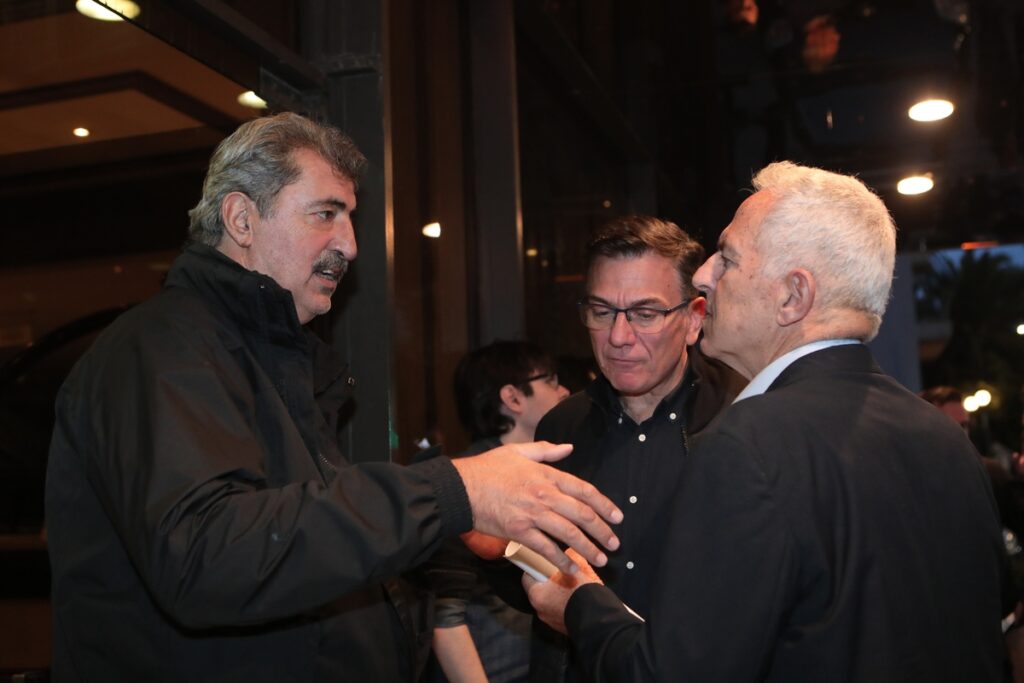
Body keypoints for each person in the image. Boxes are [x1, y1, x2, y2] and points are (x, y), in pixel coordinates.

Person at [44, 112, 623, 682]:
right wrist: (453, 491)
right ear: (242, 219)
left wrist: (453, 539)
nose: (349, 244)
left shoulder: (270, 359)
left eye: (348, 218)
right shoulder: (160, 349)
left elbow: (305, 549)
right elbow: (208, 555)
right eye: (325, 214)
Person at [526, 161, 1009, 681]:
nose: (704, 275)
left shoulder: (747, 442)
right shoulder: (946, 439)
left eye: (728, 258)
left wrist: (580, 604)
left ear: (793, 296)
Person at [529, 215, 747, 680]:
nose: (618, 337)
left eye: (645, 314)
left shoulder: (744, 423)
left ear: (694, 318)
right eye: (602, 312)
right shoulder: (560, 428)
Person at [426, 341, 569, 682]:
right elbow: (445, 615)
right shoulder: (467, 483)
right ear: (512, 398)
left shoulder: (544, 476)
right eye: (550, 380)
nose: (564, 391)